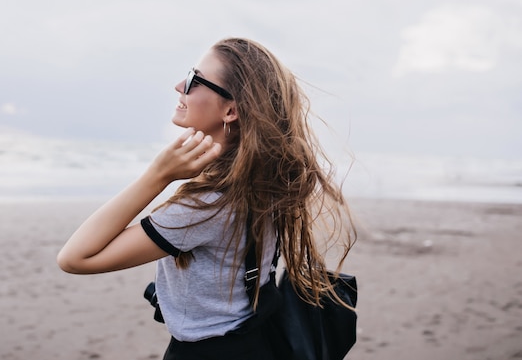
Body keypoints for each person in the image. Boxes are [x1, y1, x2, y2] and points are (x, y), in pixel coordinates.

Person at [57, 37, 356, 359]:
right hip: (253, 338)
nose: (178, 87)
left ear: (231, 110)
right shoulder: (262, 179)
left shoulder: (207, 206)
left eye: (192, 80)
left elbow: (76, 259)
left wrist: (156, 176)